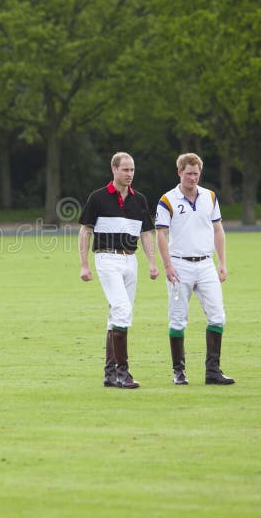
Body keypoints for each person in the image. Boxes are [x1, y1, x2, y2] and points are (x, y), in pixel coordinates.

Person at [78, 152, 159, 389]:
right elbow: (85, 232)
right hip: (107, 258)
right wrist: (84, 264)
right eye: (125, 170)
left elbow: (146, 234)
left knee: (118, 315)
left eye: (132, 170)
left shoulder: (140, 200)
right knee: (122, 309)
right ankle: (124, 373)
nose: (130, 174)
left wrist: (152, 262)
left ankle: (109, 374)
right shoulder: (98, 197)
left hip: (130, 261)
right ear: (114, 170)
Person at [155, 153, 234, 385]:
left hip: (206, 263)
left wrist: (222, 262)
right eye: (188, 173)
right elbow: (161, 233)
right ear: (179, 172)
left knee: (217, 316)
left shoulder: (209, 196)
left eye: (196, 174)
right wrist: (167, 265)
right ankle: (179, 372)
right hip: (179, 264)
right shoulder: (167, 200)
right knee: (178, 320)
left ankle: (213, 371)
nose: (192, 178)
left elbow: (218, 229)